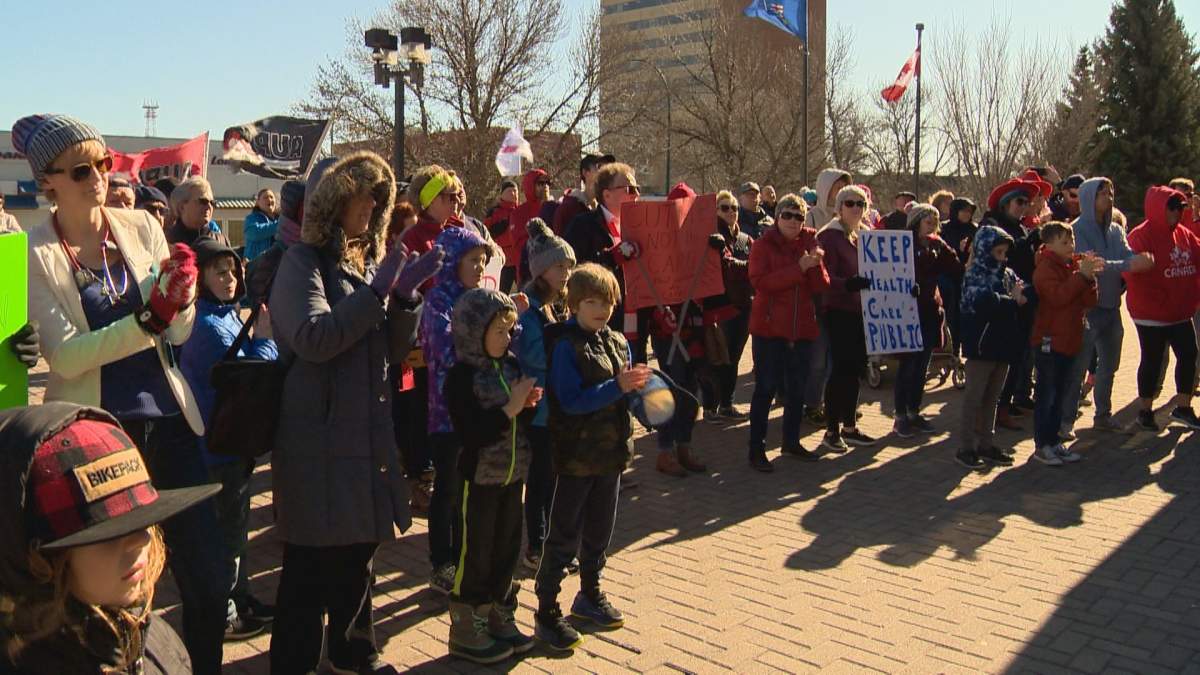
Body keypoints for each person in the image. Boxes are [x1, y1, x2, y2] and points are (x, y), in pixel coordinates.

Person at [17, 112, 227, 674]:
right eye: (82, 169)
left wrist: (180, 300)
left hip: (173, 422)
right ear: (49, 182)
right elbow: (63, 354)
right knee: (119, 591)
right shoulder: (34, 251)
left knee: (209, 580)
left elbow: (177, 332)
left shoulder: (139, 226)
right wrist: (147, 319)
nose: (98, 177)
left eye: (103, 163)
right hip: (100, 443)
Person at [267, 150, 443, 675]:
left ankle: (353, 656)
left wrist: (406, 300)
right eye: (362, 193)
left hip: (361, 435)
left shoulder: (359, 262)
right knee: (309, 567)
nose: (371, 204)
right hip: (316, 440)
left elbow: (384, 351)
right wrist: (374, 293)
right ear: (332, 200)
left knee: (357, 560)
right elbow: (315, 338)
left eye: (376, 196)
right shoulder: (302, 262)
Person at [0, 402, 220, 674]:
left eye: (144, 521)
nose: (141, 540)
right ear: (41, 560)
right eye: (109, 533)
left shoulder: (158, 641)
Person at [534, 263, 650, 651]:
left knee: (600, 532)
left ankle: (589, 594)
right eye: (591, 302)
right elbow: (570, 401)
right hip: (575, 457)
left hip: (611, 456)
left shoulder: (617, 341)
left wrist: (649, 400)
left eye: (608, 302)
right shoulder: (566, 345)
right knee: (564, 535)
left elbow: (627, 396)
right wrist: (616, 386)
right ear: (573, 303)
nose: (601, 310)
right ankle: (547, 610)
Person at [178, 238, 279, 641]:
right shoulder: (206, 326)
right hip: (218, 447)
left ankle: (241, 597)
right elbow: (252, 373)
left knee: (234, 528)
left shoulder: (223, 315)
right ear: (200, 279)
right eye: (219, 272)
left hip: (231, 442)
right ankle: (226, 613)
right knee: (226, 536)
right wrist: (266, 337)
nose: (230, 278)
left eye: (234, 270)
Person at [445, 289, 540, 663]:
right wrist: (510, 408)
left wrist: (526, 406)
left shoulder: (511, 366)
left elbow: (520, 421)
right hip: (480, 480)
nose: (506, 339)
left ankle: (499, 613)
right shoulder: (462, 376)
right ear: (473, 332)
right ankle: (467, 624)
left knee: (506, 547)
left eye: (508, 331)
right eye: (498, 332)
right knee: (476, 552)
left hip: (513, 476)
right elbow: (471, 432)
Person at [421, 224, 494, 594]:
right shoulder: (438, 302)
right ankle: (441, 562)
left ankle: (467, 555)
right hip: (447, 413)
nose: (479, 268)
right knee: (447, 490)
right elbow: (446, 351)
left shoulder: (481, 299)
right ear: (452, 262)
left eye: (483, 261)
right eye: (472, 260)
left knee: (470, 488)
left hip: (477, 413)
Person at [1059, 178, 1153, 436]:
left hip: (1112, 308)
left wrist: (1139, 260)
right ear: (1089, 197)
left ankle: (1103, 415)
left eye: (1111, 192)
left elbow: (1125, 254)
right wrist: (1129, 265)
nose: (1108, 197)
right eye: (1102, 193)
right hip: (1087, 309)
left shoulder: (1115, 229)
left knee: (1109, 366)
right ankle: (1065, 421)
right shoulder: (1077, 229)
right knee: (1078, 368)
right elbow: (1092, 264)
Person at [746, 193, 828, 471]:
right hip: (769, 330)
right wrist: (799, 269)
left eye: (799, 217)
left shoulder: (811, 242)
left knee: (797, 390)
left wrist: (816, 267)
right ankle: (756, 449)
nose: (794, 221)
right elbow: (760, 282)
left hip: (802, 329)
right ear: (778, 217)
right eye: (788, 215)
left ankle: (791, 442)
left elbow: (820, 287)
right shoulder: (762, 245)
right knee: (766, 389)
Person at [516, 219, 575, 572]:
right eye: (558, 267)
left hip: (557, 408)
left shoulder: (558, 305)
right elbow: (531, 355)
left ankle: (552, 543)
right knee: (539, 482)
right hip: (537, 410)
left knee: (554, 481)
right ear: (541, 271)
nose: (565, 273)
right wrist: (563, 339)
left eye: (568, 266)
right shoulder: (529, 309)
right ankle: (535, 546)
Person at [1124, 186, 1200, 432]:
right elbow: (1128, 268)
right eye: (1172, 207)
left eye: (1180, 207)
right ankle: (1145, 411)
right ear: (1158, 207)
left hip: (1180, 312)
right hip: (1152, 315)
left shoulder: (1184, 235)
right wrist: (1140, 266)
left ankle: (1183, 406)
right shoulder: (1140, 235)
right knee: (1152, 361)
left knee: (1189, 354)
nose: (1177, 212)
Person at [1029, 221, 1101, 465]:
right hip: (1050, 339)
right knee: (1046, 395)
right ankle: (1042, 445)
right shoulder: (1045, 268)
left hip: (1071, 337)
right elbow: (1058, 297)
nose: (1071, 246)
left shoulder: (1073, 266)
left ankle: (1054, 441)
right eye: (1064, 242)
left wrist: (1090, 278)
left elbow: (1089, 301)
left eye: (1071, 241)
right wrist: (1081, 276)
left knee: (1061, 393)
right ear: (1048, 245)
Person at [956, 225, 1027, 469]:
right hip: (981, 343)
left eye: (1005, 253)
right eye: (998, 252)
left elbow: (1023, 289)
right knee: (974, 398)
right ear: (986, 250)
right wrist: (1012, 300)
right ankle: (966, 447)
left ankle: (987, 443)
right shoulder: (975, 273)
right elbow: (984, 302)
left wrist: (1020, 296)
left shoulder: (1007, 273)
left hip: (1003, 343)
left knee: (992, 398)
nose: (1003, 258)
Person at [893, 204, 964, 437]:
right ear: (916, 222)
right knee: (907, 366)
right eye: (928, 221)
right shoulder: (902, 244)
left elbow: (955, 268)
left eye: (935, 221)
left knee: (922, 366)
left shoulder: (937, 245)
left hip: (929, 312)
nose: (933, 225)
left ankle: (914, 410)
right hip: (907, 311)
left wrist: (960, 251)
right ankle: (900, 414)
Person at [816, 185, 877, 451]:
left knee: (855, 370)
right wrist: (848, 284)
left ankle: (850, 427)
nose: (855, 208)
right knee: (840, 369)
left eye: (860, 204)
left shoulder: (865, 236)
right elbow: (823, 277)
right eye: (849, 203)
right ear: (839, 207)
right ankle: (831, 430)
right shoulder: (830, 236)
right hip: (838, 309)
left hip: (861, 311)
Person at [981, 177, 1043, 430]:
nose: (1024, 207)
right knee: (998, 362)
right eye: (1020, 201)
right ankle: (990, 412)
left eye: (1027, 203)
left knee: (1018, 358)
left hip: (1024, 301)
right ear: (1006, 203)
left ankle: (1007, 406)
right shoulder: (991, 224)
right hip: (1001, 301)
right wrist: (1029, 242)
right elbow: (1002, 255)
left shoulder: (1023, 228)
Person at [564, 162, 641, 332]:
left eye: (638, 189)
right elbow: (573, 270)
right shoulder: (583, 225)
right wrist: (612, 257)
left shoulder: (640, 228)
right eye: (629, 189)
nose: (636, 195)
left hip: (636, 318)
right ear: (607, 195)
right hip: (600, 319)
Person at [803, 168, 851, 424]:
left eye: (844, 186)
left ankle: (836, 403)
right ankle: (812, 403)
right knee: (818, 359)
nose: (840, 191)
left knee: (838, 358)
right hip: (819, 300)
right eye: (836, 186)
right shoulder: (812, 217)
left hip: (842, 300)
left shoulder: (849, 221)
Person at [711, 189, 754, 421]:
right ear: (716, 211)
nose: (730, 212)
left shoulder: (745, 239)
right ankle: (713, 403)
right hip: (722, 305)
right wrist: (752, 266)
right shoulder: (714, 237)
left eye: (734, 208)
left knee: (735, 356)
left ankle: (726, 403)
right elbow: (726, 265)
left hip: (744, 304)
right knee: (721, 356)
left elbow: (753, 266)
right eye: (724, 208)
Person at [938, 197, 978, 360]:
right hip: (947, 276)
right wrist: (957, 248)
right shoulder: (945, 227)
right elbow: (941, 250)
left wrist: (968, 251)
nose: (967, 214)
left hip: (966, 277)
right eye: (964, 210)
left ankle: (959, 349)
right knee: (949, 313)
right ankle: (947, 347)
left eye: (970, 211)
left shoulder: (974, 229)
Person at [553, 153, 614, 235]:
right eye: (599, 167)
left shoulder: (608, 209)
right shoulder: (568, 208)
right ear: (585, 172)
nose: (604, 173)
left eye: (607, 169)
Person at [166, 176, 231, 248]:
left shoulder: (221, 240)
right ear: (182, 207)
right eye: (203, 201)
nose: (209, 207)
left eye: (212, 203)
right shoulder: (167, 241)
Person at [242, 187, 278, 262]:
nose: (269, 199)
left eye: (271, 197)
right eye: (265, 197)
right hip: (256, 265)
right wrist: (279, 225)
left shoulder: (280, 219)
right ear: (258, 202)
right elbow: (255, 233)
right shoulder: (251, 219)